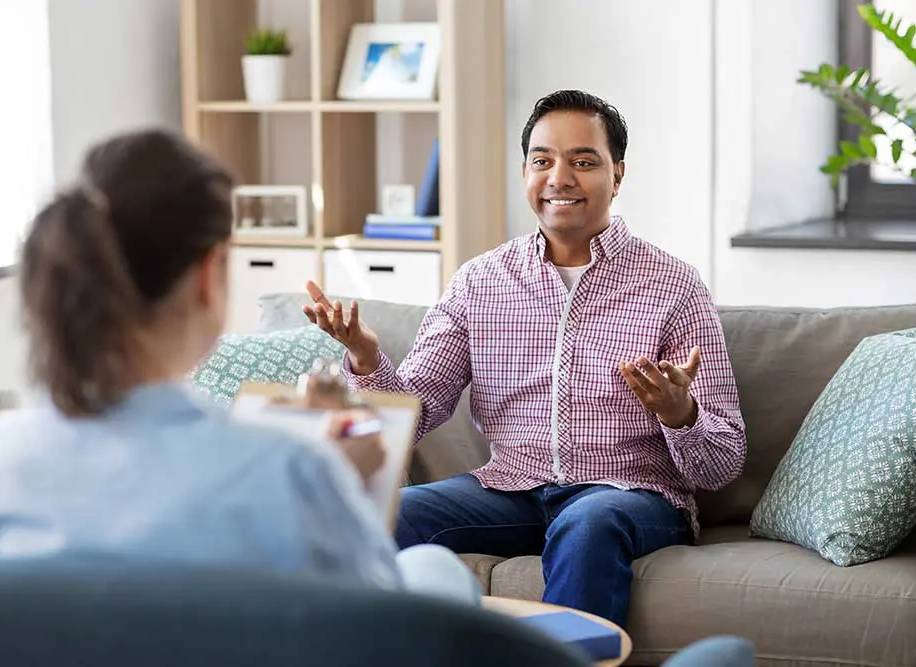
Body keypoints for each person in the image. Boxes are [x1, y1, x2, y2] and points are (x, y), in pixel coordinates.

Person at [0, 129, 479, 605]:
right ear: (206, 277)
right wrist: (346, 481)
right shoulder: (290, 473)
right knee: (436, 575)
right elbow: (370, 629)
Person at [302, 89, 746, 626]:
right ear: (525, 172)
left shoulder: (674, 285)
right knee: (382, 512)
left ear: (618, 174)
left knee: (589, 521)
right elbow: (413, 415)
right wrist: (367, 357)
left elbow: (722, 463)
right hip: (510, 489)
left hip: (629, 495)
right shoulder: (480, 281)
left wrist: (682, 415)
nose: (560, 177)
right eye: (543, 161)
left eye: (583, 162)